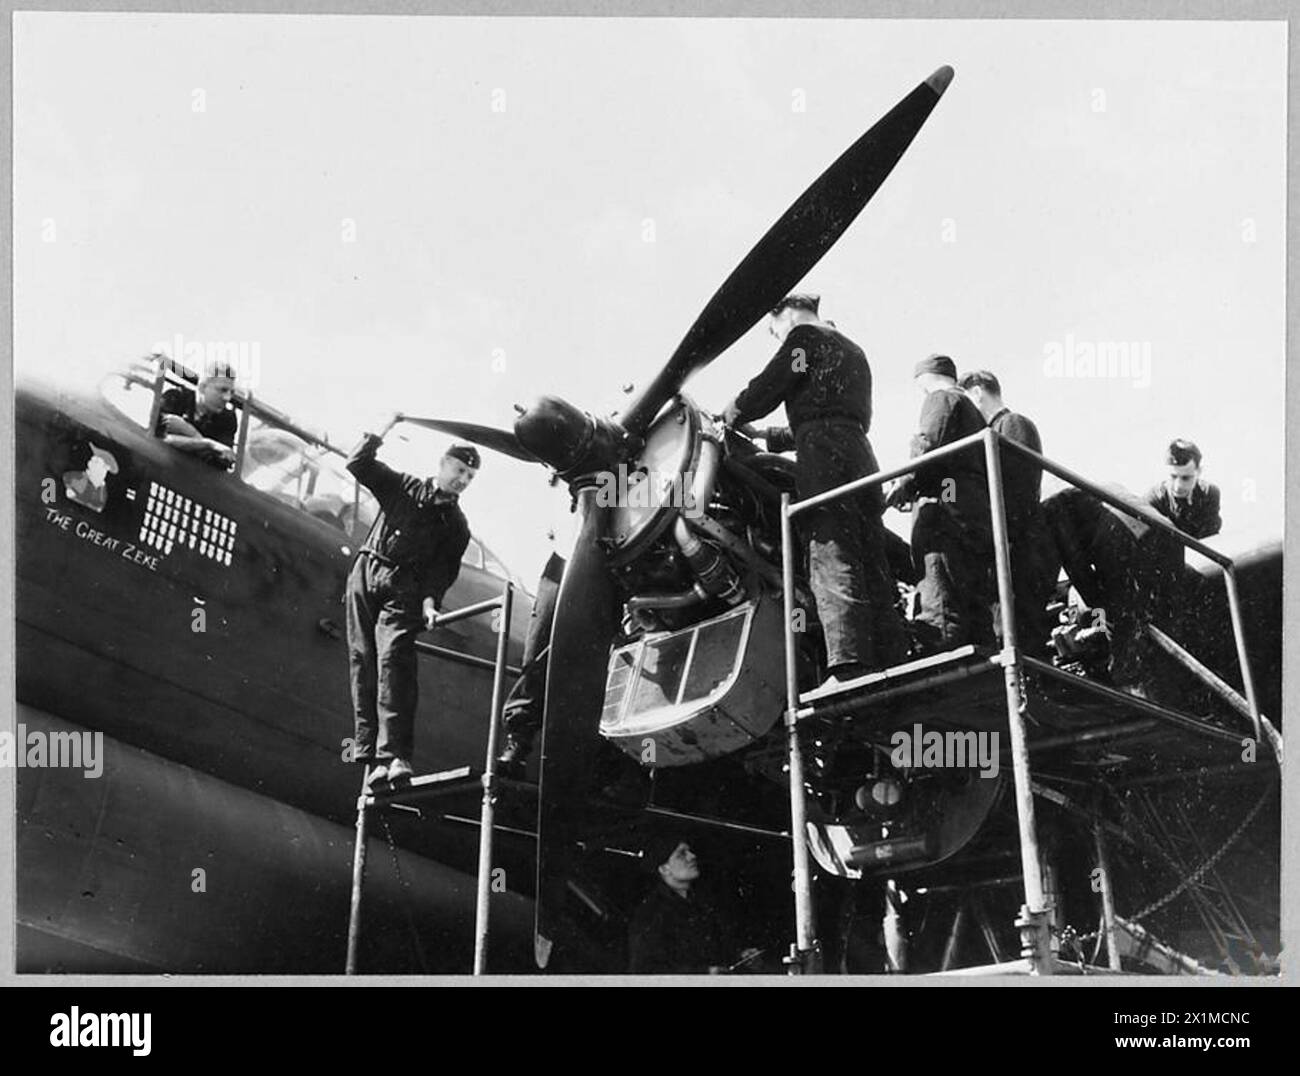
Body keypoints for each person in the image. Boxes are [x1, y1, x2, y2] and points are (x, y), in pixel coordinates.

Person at [720, 294, 905, 686]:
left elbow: (769, 388)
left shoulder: (802, 339)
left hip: (824, 456)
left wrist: (733, 412)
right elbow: (828, 409)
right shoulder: (851, 348)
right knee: (872, 559)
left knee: (830, 549)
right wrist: (767, 436)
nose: (777, 337)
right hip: (859, 453)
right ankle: (893, 659)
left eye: (773, 331)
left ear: (780, 313)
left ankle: (850, 665)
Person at [345, 421, 478, 790]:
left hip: (405, 589)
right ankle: (370, 755)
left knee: (394, 661)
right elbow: (358, 464)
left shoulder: (456, 525)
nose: (463, 479)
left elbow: (441, 573)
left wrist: (432, 603)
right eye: (459, 470)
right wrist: (383, 425)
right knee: (362, 658)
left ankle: (396, 756)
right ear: (443, 463)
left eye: (469, 476)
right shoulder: (402, 485)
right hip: (366, 571)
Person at [885, 355, 994, 652]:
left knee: (939, 578)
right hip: (971, 509)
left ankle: (941, 651)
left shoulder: (940, 398)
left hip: (945, 508)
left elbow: (929, 443)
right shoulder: (973, 411)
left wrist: (903, 482)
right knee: (970, 592)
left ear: (923, 379)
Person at [958, 369, 1059, 657]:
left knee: (1021, 630)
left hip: (1020, 546)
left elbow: (1017, 488)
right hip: (1012, 546)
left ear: (977, 393)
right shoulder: (997, 429)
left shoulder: (1012, 424)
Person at [627, 836, 758, 974]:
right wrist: (703, 973)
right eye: (681, 854)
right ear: (664, 869)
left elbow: (720, 948)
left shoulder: (705, 902)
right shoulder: (650, 913)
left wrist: (742, 957)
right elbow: (645, 970)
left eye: (689, 851)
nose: (692, 856)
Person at [154, 361, 239, 469]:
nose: (227, 398)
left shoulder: (227, 419)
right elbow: (159, 438)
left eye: (231, 393)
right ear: (202, 387)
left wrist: (186, 430)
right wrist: (209, 445)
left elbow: (222, 460)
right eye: (222, 390)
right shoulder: (175, 397)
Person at [1144, 439, 1222, 540]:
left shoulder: (1209, 494)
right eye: (1173, 476)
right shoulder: (1154, 500)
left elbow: (1211, 539)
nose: (1178, 486)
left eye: (1186, 478)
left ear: (1199, 472)